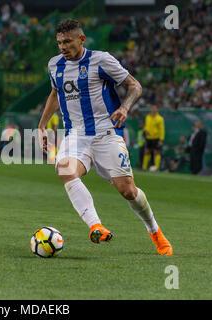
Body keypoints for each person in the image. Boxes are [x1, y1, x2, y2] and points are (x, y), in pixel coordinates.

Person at [38, 19, 172, 256]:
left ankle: (155, 231)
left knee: (128, 191)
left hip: (106, 133)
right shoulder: (54, 65)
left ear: (82, 39)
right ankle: (95, 226)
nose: (62, 47)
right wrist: (41, 125)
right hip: (75, 134)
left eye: (67, 41)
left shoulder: (101, 60)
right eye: (59, 42)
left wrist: (125, 107)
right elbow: (55, 93)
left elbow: (134, 86)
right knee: (65, 170)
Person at [142, 104, 165, 171]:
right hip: (148, 138)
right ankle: (144, 167)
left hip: (156, 138)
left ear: (157, 109)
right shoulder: (147, 117)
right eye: (152, 108)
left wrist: (161, 139)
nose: (153, 109)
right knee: (146, 151)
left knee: (156, 152)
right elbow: (146, 126)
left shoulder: (160, 118)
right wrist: (145, 131)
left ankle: (156, 168)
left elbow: (162, 129)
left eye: (155, 108)